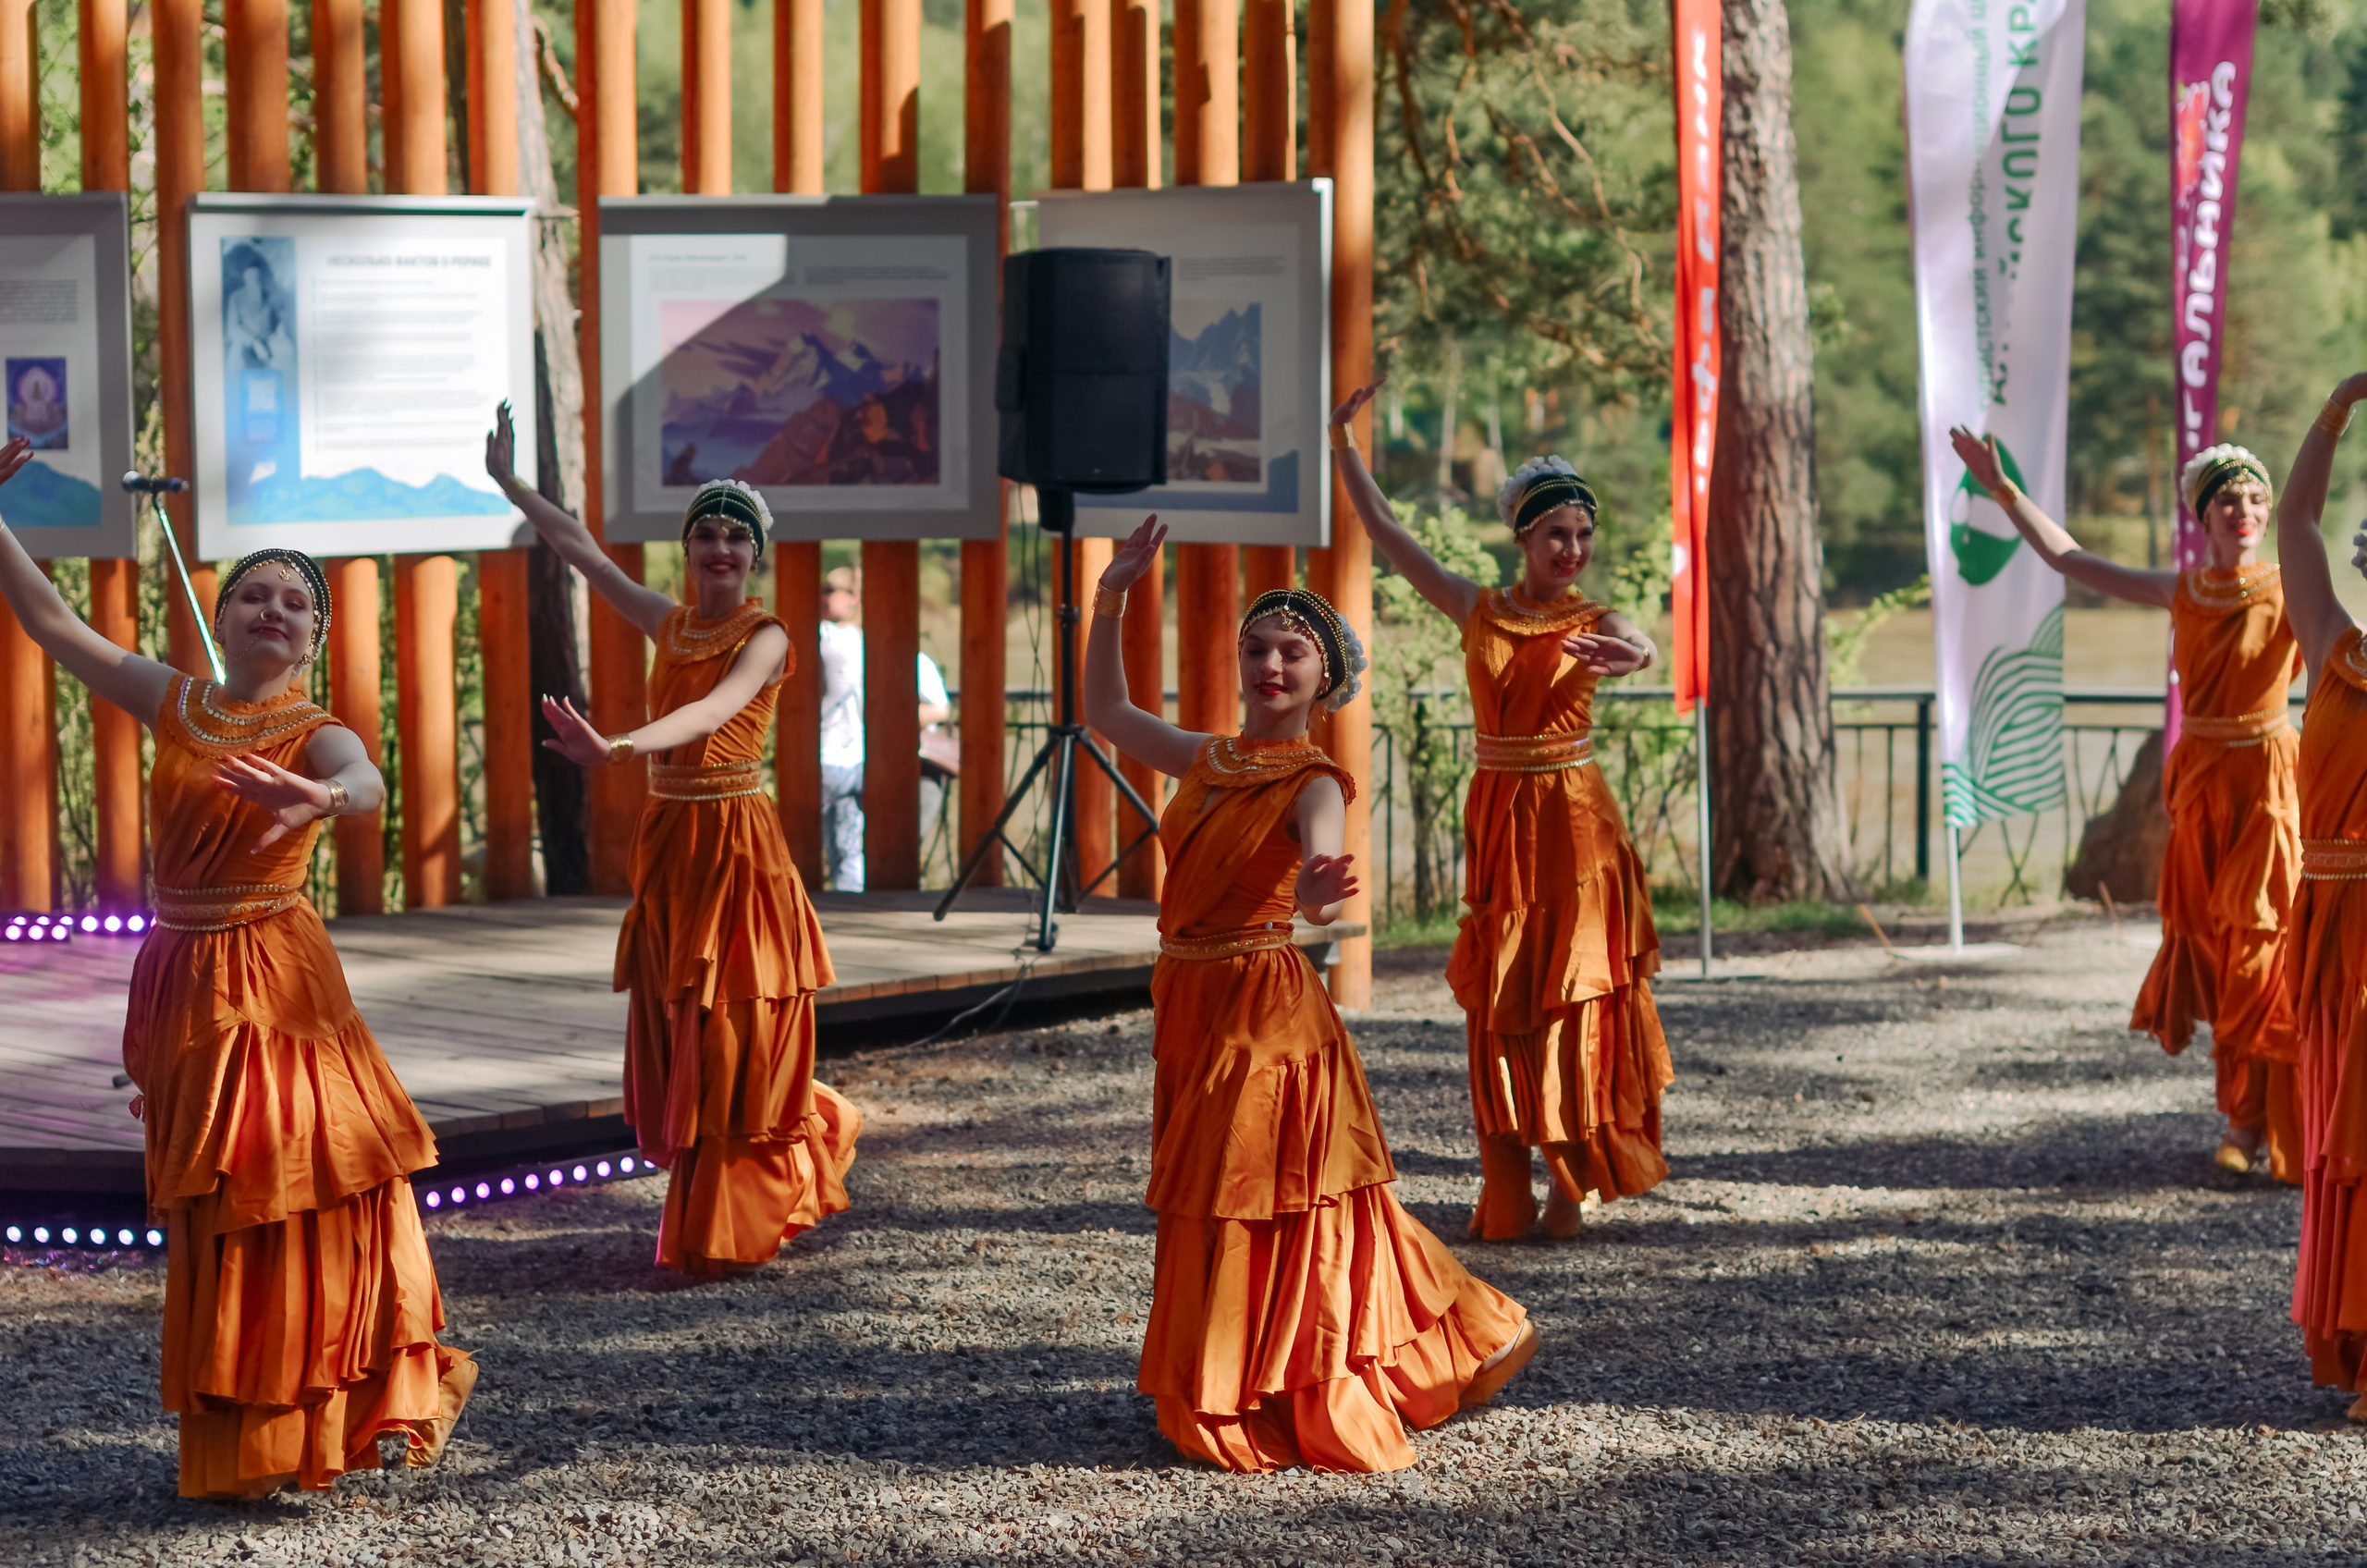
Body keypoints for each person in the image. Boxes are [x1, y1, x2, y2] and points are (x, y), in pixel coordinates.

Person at [0, 435, 475, 1497]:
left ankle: (305, 1415)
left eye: (293, 602)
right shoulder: (175, 701)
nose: (272, 608)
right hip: (179, 973)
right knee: (218, 1204)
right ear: (223, 618)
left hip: (276, 979)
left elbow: (370, 782)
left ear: (314, 633)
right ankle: (244, 1427)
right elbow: (52, 623)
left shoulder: (317, 729)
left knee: (285, 1185)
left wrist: (325, 799)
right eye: (254, 594)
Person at [1085, 513, 1535, 1473]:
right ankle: (1230, 1372)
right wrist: (1112, 594)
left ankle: (1300, 1379)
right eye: (1255, 648)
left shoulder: (1313, 779)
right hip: (1190, 1002)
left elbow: (1325, 863)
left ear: (1324, 676)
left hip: (1265, 1010)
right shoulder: (1207, 756)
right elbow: (1107, 715)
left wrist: (1321, 892)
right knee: (1213, 1193)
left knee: (1269, 1192)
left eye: (1290, 652)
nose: (1269, 666)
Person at [485, 404, 859, 1273]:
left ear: (754, 556)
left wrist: (615, 745)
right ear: (688, 551)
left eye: (737, 536)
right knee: (685, 1023)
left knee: (736, 1024)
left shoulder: (765, 636)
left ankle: (745, 1205)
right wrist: (509, 485)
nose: (721, 548)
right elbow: (581, 551)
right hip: (673, 844)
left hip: (737, 845)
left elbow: (710, 711)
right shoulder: (671, 622)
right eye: (708, 535)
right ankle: (728, 1192)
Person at [1327, 378, 1673, 1240]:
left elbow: (1641, 639)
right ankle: (1507, 1185)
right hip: (1500, 821)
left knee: (1572, 995)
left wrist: (1635, 656)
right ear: (1524, 534)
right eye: (1558, 532)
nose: (1574, 547)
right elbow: (1388, 537)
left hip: (1575, 829)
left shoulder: (1597, 617)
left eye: (1585, 533)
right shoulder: (1476, 608)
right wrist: (1343, 450)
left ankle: (1571, 1179)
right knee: (1500, 1000)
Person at [1951, 426, 2302, 1179]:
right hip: (2204, 787)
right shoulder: (2179, 590)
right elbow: (2071, 560)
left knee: (2260, 956)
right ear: (2203, 516)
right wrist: (2004, 492)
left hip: (2269, 787)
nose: (2245, 511)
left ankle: (2259, 1126)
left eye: (2256, 499)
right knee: (2212, 951)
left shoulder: (2290, 588)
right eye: (2230, 500)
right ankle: (2245, 1114)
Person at [2268, 371, 2367, 1417]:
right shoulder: (2335, 655)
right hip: (2332, 926)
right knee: (2344, 1139)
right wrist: (2332, 413)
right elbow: (2293, 518)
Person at [816, 565, 952, 892]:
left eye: (829, 588)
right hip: (866, 760)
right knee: (850, 847)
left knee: (837, 847)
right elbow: (941, 706)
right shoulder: (889, 648)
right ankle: (857, 904)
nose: (820, 595)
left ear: (854, 598)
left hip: (831, 760)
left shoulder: (828, 639)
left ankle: (845, 906)